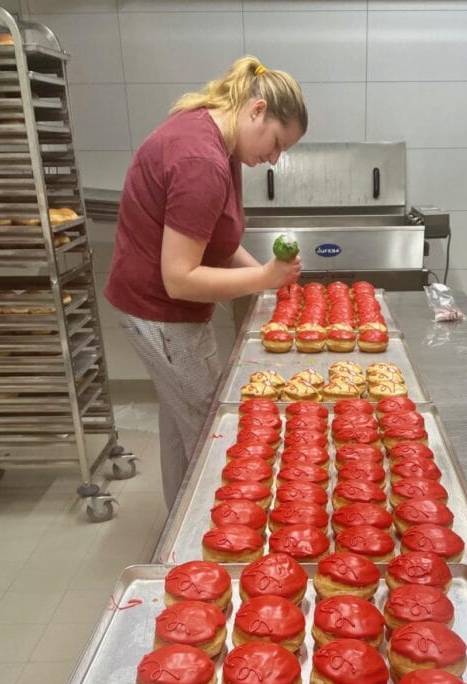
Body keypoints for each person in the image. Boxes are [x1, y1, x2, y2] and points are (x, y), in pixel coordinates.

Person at [105, 55, 307, 507]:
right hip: (160, 313)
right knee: (211, 433)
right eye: (276, 143)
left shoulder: (217, 137)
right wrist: (262, 277)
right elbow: (180, 279)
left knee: (181, 420)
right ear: (256, 110)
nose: (274, 159)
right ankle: (211, 542)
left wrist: (266, 278)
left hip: (156, 307)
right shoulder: (201, 160)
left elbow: (213, 240)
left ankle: (177, 526)